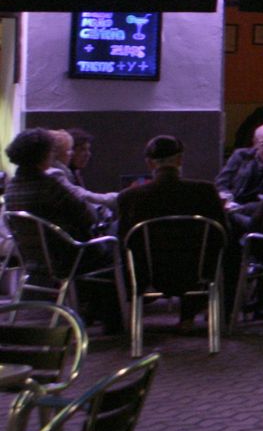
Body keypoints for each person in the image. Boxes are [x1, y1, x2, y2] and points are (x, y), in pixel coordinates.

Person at [3, 127, 123, 332]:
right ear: (43, 155)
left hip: (35, 259)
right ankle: (113, 321)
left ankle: (87, 311)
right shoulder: (50, 183)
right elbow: (88, 216)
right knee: (113, 246)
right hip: (67, 256)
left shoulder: (12, 187)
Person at [117, 135, 232, 323]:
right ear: (180, 160)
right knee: (225, 250)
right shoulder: (205, 192)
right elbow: (223, 235)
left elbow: (125, 243)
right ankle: (208, 314)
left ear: (150, 164)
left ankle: (127, 323)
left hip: (149, 274)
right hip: (197, 272)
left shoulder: (129, 198)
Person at [45, 129, 117, 217]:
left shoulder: (73, 173)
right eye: (82, 149)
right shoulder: (56, 174)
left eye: (88, 149)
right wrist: (123, 196)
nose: (88, 154)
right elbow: (84, 198)